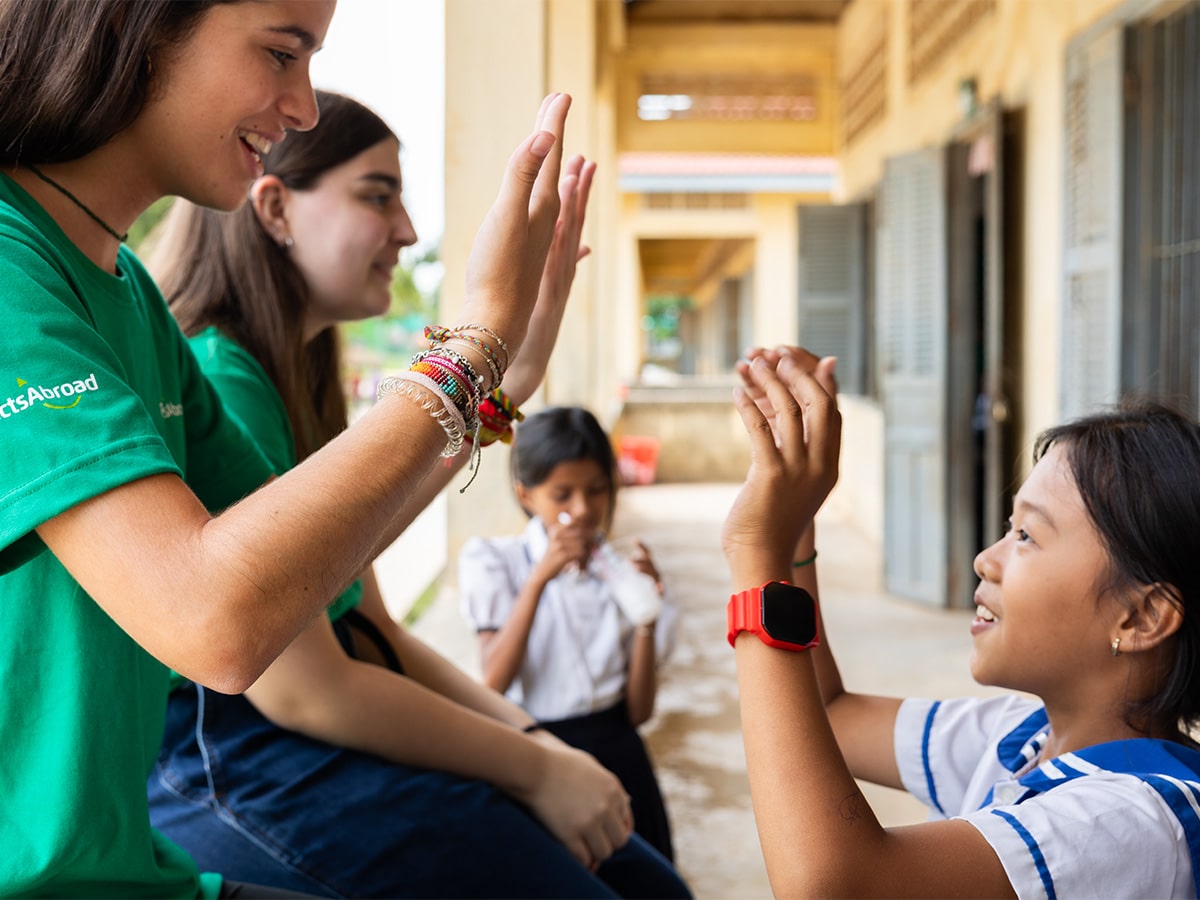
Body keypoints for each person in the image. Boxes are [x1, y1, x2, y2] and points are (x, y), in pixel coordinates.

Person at [0, 1, 603, 896]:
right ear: (132, 23)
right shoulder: (20, 274)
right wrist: (471, 345)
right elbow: (224, 624)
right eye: (282, 53)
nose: (304, 107)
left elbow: (325, 568)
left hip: (128, 869)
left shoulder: (128, 296)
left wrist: (498, 373)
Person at [145, 89, 689, 900]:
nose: (405, 231)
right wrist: (535, 764)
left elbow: (364, 619)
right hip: (238, 764)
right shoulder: (224, 377)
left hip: (295, 747)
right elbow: (308, 688)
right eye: (377, 195)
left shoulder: (287, 379)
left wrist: (537, 740)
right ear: (274, 208)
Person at [721, 345, 1200, 897]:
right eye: (1008, 526)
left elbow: (834, 886)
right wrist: (793, 528)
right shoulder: (1021, 739)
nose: (985, 559)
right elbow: (829, 716)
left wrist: (755, 555)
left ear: (1142, 616)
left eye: (1026, 536)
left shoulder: (1137, 819)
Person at [459, 406, 680, 862]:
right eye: (562, 495)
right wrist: (540, 579)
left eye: (597, 490)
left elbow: (638, 713)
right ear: (526, 494)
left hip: (619, 754)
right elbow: (494, 682)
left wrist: (646, 614)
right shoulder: (498, 564)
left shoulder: (622, 575)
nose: (582, 509)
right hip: (538, 756)